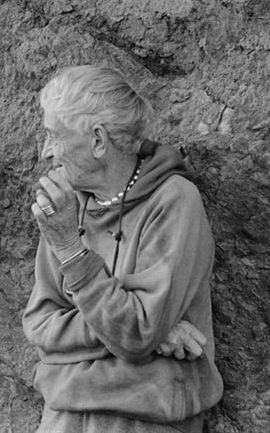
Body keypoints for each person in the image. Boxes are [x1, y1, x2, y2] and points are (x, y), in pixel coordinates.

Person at [23, 66, 224, 433]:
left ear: (98, 140)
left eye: (54, 136)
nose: (45, 152)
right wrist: (141, 332)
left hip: (146, 421)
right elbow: (39, 328)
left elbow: (136, 333)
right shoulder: (69, 206)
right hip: (64, 419)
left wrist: (71, 249)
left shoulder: (174, 201)